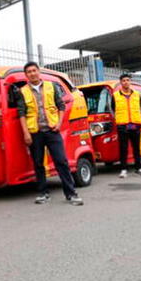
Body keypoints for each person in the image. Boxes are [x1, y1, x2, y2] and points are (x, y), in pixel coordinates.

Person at [17, 62, 83, 206]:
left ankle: (71, 194)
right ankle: (43, 193)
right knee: (38, 163)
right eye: (29, 71)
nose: (32, 73)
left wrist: (59, 123)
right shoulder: (22, 91)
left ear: (38, 71)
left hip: (52, 131)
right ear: (26, 74)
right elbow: (21, 113)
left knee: (61, 161)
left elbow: (61, 105)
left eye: (34, 70)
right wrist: (26, 133)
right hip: (35, 133)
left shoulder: (51, 86)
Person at [112, 74, 141, 178]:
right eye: (123, 80)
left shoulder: (137, 95)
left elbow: (139, 107)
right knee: (123, 148)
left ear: (130, 82)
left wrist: (138, 123)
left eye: (128, 80)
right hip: (123, 125)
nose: (126, 82)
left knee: (136, 148)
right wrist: (119, 121)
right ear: (121, 83)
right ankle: (123, 169)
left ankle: (139, 168)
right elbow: (113, 109)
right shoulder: (115, 95)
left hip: (135, 125)